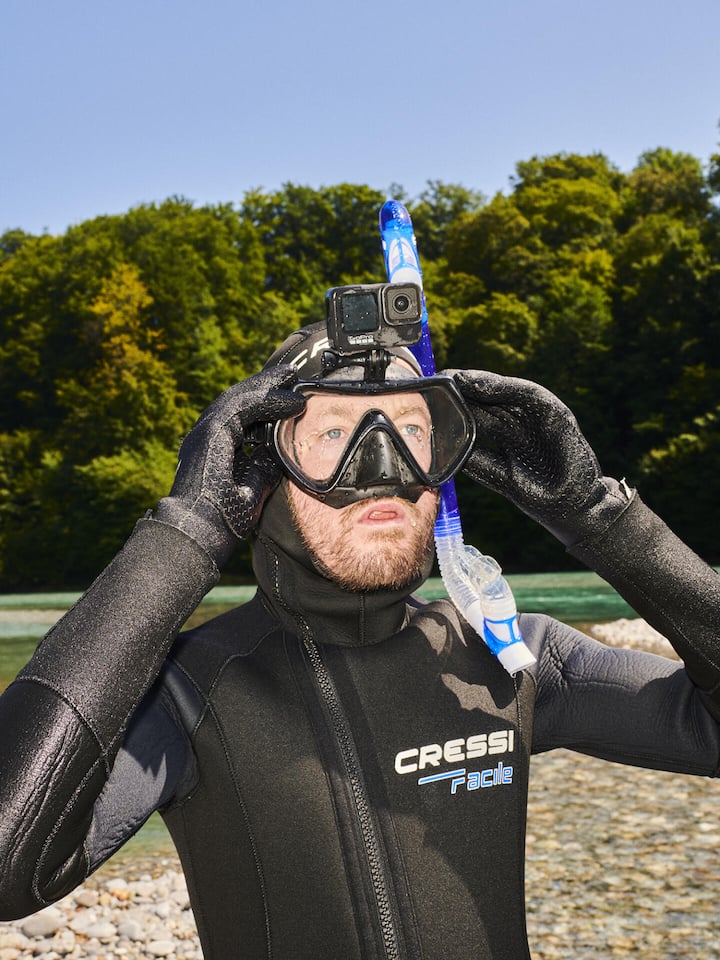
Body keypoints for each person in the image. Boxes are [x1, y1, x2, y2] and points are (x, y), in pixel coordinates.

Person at [1, 319, 719, 960]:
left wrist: (601, 519)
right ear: (261, 471)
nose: (381, 471)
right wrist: (187, 530)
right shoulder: (187, 696)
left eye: (410, 432)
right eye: (335, 435)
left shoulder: (517, 658)